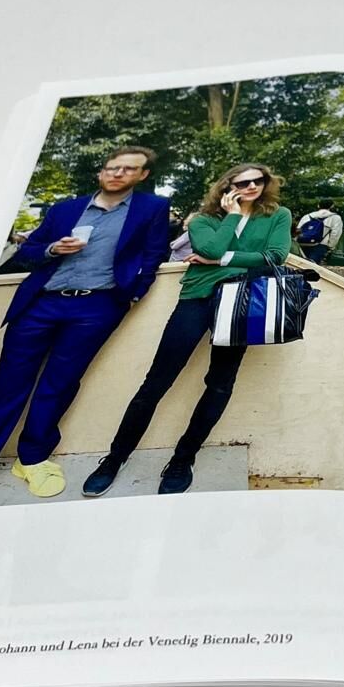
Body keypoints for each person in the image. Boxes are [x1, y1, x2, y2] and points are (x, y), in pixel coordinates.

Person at [0, 147, 171, 509]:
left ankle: (32, 458)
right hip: (40, 304)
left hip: (97, 307)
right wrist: (51, 249)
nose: (117, 173)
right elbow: (28, 251)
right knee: (7, 387)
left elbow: (154, 253)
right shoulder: (65, 209)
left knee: (59, 385)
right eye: (112, 167)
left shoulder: (151, 208)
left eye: (128, 169)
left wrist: (134, 293)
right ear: (101, 171)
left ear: (142, 176)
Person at [82, 162, 293, 497]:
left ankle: (183, 459)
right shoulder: (204, 220)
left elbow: (275, 256)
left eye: (258, 180)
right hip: (197, 298)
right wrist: (233, 219)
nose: (252, 186)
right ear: (227, 187)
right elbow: (210, 248)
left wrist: (220, 261)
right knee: (156, 381)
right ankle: (114, 458)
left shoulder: (278, 215)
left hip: (241, 302)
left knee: (220, 385)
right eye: (243, 183)